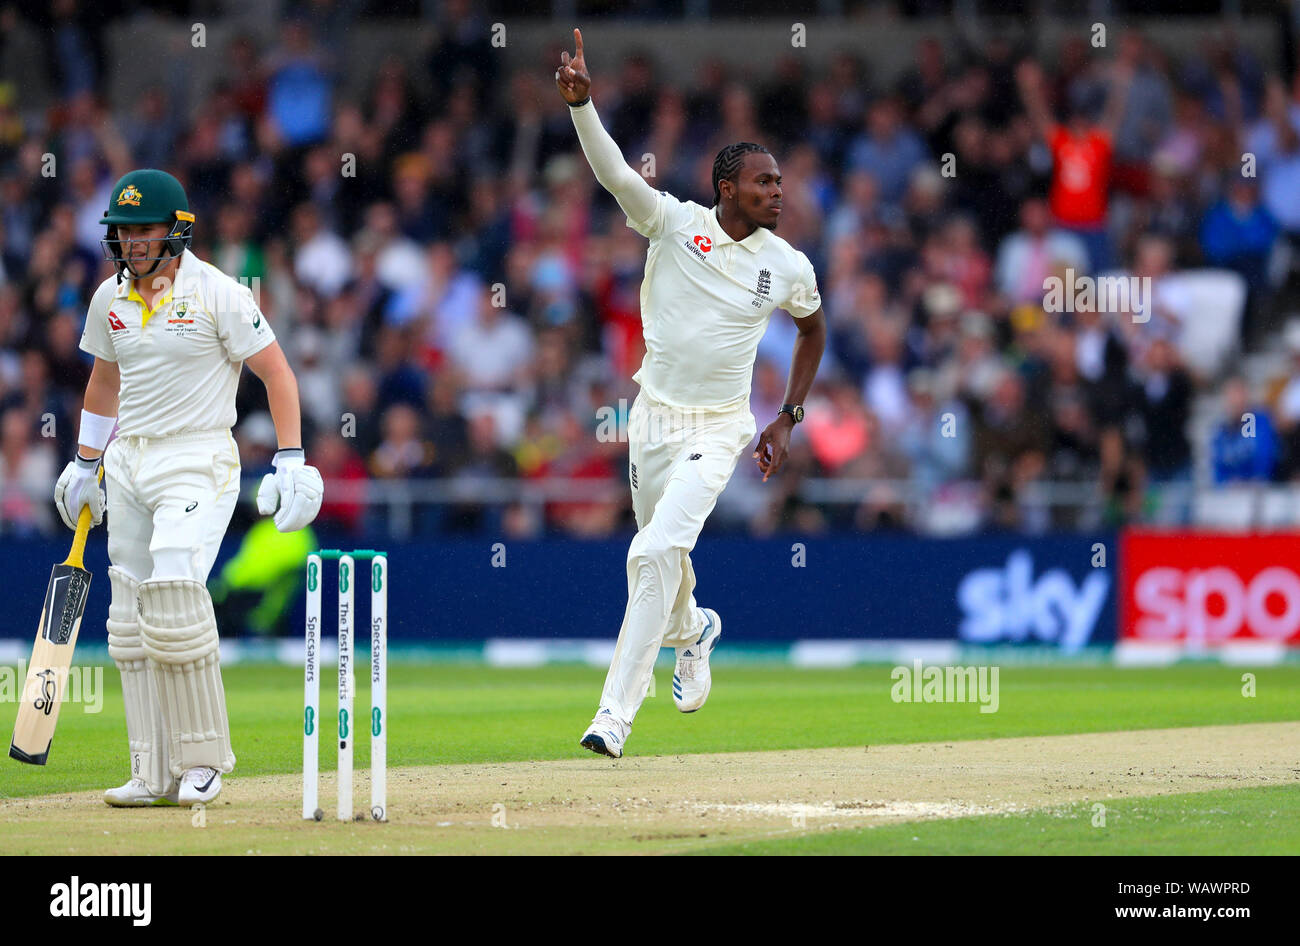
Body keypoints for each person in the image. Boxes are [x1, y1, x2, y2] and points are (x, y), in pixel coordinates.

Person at [555, 30, 826, 758]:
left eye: (780, 183)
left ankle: (613, 716)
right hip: (653, 421)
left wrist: (788, 418)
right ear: (727, 188)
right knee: (659, 551)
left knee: (651, 552)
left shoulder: (788, 265)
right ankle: (693, 630)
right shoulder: (673, 225)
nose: (778, 192)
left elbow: (813, 333)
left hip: (719, 429)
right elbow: (616, 176)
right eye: (764, 183)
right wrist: (584, 108)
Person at [53, 169, 323, 806]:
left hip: (198, 458)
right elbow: (104, 383)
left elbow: (277, 373)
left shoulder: (219, 293)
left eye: (144, 230)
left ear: (176, 231)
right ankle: (151, 770)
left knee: (174, 587)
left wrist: (290, 459)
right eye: (122, 232)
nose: (131, 243)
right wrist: (86, 461)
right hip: (128, 462)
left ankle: (203, 760)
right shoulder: (108, 299)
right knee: (130, 615)